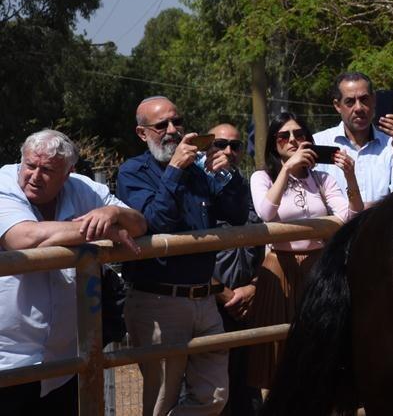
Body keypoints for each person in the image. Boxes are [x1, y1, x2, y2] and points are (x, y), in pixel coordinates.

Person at [116, 96, 249, 416]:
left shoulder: (198, 171)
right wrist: (174, 169)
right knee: (161, 400)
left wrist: (228, 175)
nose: (173, 131)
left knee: (214, 396)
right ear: (142, 133)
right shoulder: (132, 172)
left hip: (205, 299)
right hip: (158, 302)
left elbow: (237, 214)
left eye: (177, 123)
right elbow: (156, 221)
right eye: (162, 125)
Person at [0, 130, 146, 415]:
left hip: (63, 362)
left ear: (67, 173)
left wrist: (113, 215)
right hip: (8, 360)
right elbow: (24, 238)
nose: (33, 175)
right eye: (30, 165)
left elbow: (139, 223)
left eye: (47, 170)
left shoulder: (83, 188)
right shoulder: (4, 184)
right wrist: (99, 230)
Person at [247, 112, 361, 390]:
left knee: (321, 341)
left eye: (299, 135)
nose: (292, 140)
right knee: (278, 349)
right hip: (280, 269)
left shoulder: (322, 179)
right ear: (274, 144)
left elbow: (351, 215)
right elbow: (266, 213)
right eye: (283, 136)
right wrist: (287, 169)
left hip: (318, 267)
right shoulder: (262, 177)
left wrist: (350, 176)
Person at [200, 124, 264, 416]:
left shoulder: (249, 188)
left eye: (235, 146)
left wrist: (252, 287)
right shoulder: (194, 188)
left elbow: (266, 243)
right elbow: (188, 251)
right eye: (221, 144)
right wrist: (223, 293)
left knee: (248, 391)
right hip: (209, 306)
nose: (228, 151)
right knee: (213, 393)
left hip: (249, 305)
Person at [313, 72, 393, 205]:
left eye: (364, 99)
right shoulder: (319, 143)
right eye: (350, 101)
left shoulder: (391, 143)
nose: (359, 108)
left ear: (373, 100)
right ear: (337, 106)